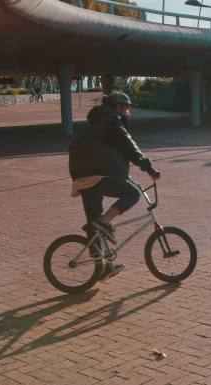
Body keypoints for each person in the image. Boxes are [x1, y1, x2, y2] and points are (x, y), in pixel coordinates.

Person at [68, 92, 160, 275]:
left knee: (93, 228)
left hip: (83, 176)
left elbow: (105, 153)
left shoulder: (98, 122)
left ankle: (101, 268)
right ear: (117, 106)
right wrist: (148, 167)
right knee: (133, 194)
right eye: (126, 106)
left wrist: (125, 177)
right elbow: (128, 146)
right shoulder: (111, 120)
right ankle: (103, 221)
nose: (128, 110)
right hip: (97, 174)